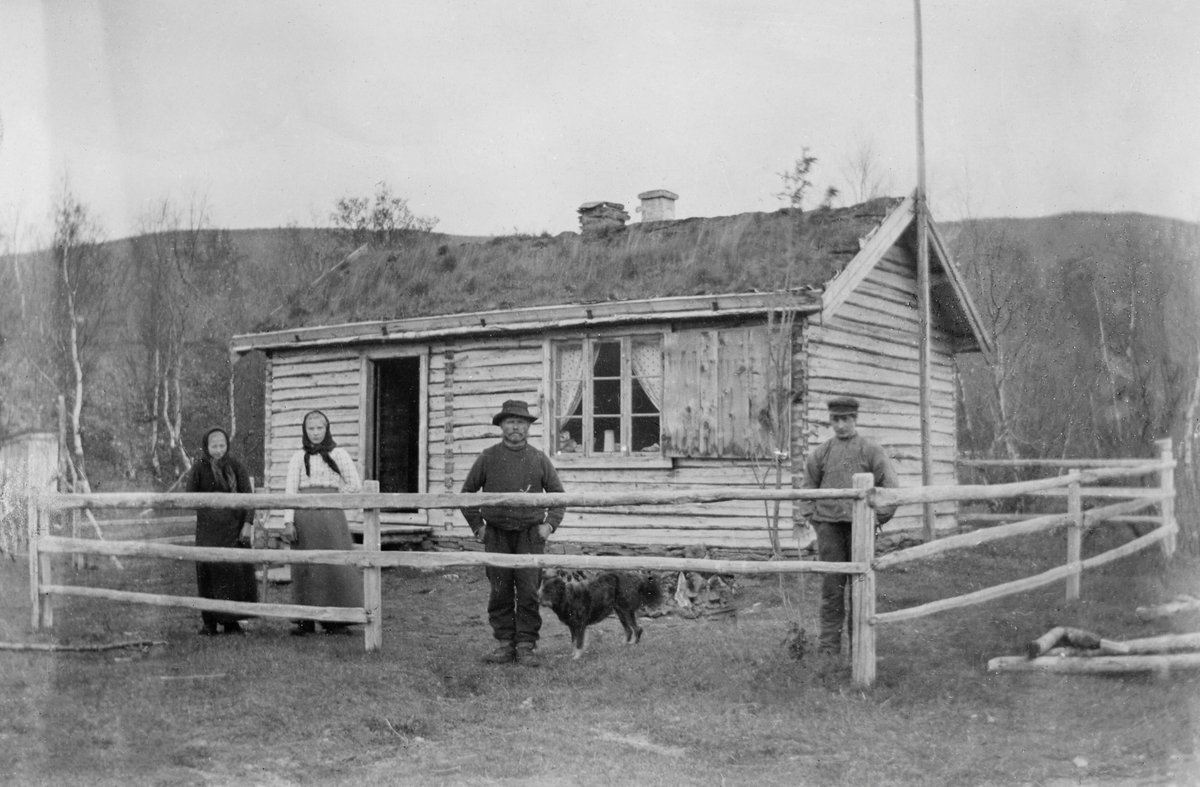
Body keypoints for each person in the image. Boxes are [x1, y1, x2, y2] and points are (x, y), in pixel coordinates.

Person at [460, 399, 565, 666]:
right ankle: (505, 644)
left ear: (528, 427)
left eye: (520, 422)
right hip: (496, 534)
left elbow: (558, 497)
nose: (515, 427)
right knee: (500, 589)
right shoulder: (487, 457)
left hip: (530, 534)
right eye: (510, 422)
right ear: (501, 426)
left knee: (529, 590)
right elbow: (466, 495)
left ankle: (526, 645)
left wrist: (549, 525)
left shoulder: (539, 459)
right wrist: (477, 527)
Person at [796, 396, 899, 656]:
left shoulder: (871, 450)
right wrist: (814, 519)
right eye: (835, 420)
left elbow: (890, 490)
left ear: (855, 419)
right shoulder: (821, 452)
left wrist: (876, 518)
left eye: (846, 419)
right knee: (832, 590)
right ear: (830, 421)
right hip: (829, 528)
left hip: (860, 528)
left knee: (860, 588)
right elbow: (808, 490)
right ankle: (828, 650)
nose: (840, 425)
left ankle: (859, 649)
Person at [283, 410, 364, 636]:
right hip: (305, 517)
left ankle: (335, 620)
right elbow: (290, 491)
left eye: (320, 428)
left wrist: (333, 495)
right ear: (305, 431)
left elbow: (355, 485)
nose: (316, 433)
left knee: (334, 565)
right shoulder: (298, 457)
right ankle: (304, 620)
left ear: (327, 429)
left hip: (330, 517)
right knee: (306, 567)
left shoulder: (339, 454)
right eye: (311, 429)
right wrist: (288, 522)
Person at [186, 426, 257, 636]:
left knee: (232, 573)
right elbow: (190, 497)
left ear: (228, 445)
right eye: (214, 446)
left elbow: (249, 497)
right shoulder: (199, 467)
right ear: (207, 447)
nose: (218, 450)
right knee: (208, 571)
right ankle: (209, 622)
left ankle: (231, 621)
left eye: (222, 445)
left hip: (234, 527)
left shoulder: (236, 466)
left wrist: (247, 524)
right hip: (208, 528)